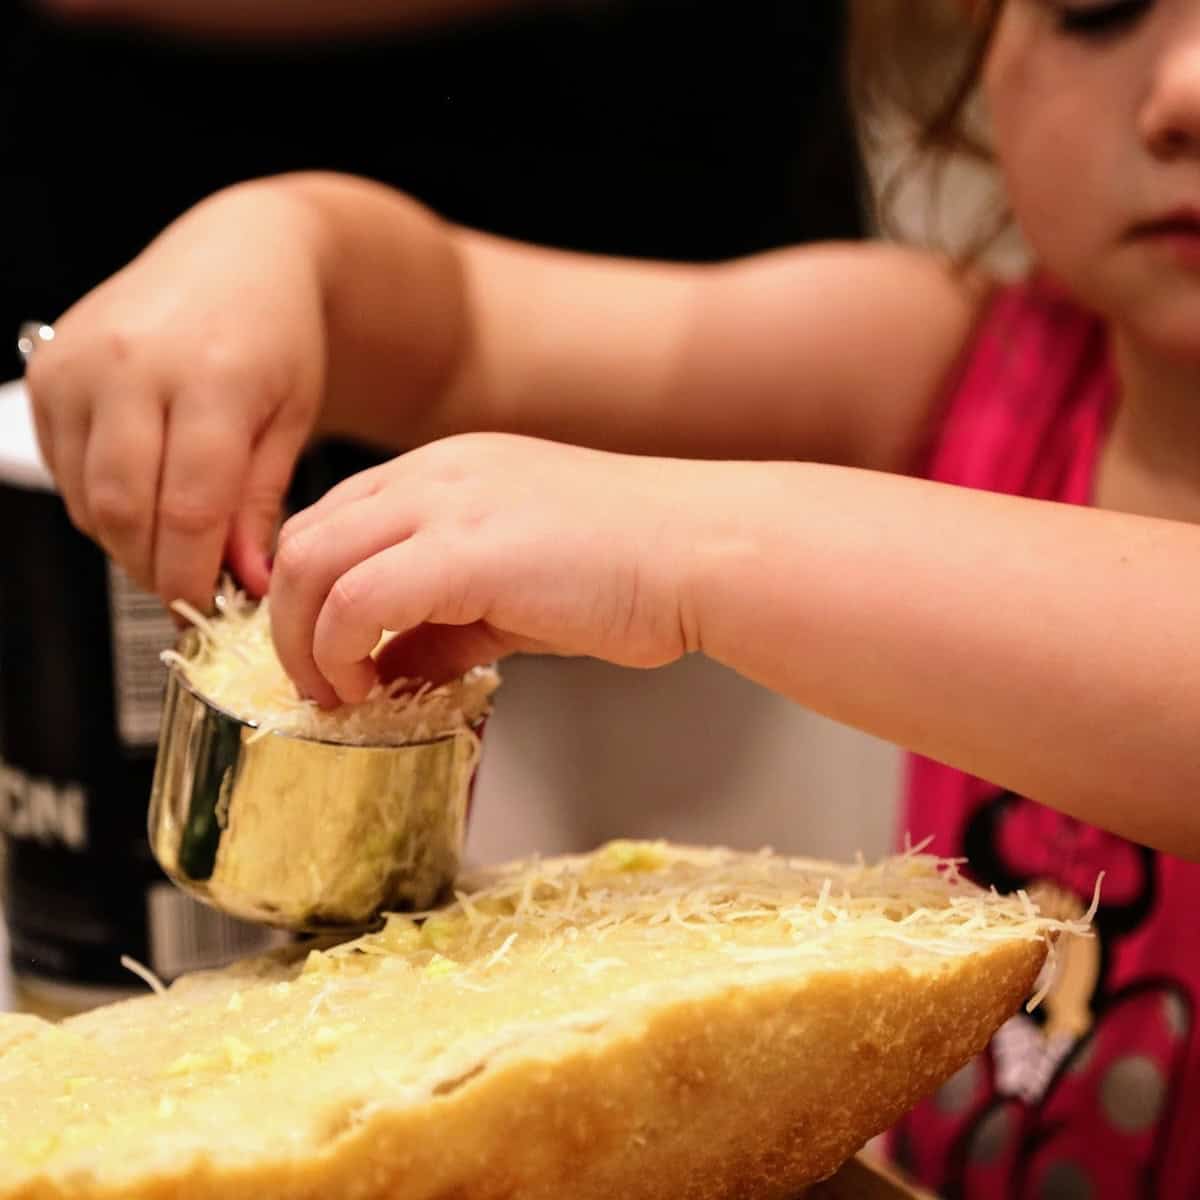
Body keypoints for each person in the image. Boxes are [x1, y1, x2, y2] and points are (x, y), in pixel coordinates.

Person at [21, 0, 1200, 1194]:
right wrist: (277, 249)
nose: (1184, 91)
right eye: (1095, 6)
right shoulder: (957, 364)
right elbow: (458, 333)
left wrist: (687, 548)